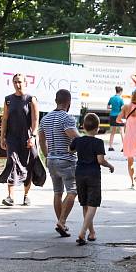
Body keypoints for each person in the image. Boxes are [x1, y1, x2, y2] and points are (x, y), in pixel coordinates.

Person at [38, 89, 81, 237]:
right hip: (66, 160)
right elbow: (75, 137)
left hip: (51, 160)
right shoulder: (67, 118)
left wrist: (46, 154)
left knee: (57, 192)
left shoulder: (45, 119)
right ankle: (62, 221)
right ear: (69, 102)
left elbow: (41, 140)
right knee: (72, 191)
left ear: (56, 101)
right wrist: (77, 147)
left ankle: (61, 223)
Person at [70, 113, 114, 245]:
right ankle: (83, 232)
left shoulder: (78, 140)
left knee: (85, 204)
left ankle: (92, 232)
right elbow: (100, 160)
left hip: (79, 174)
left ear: (83, 126)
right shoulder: (98, 142)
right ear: (97, 128)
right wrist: (110, 165)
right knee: (93, 204)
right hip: (93, 175)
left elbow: (70, 150)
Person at [0, 73, 39, 207]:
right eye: (15, 82)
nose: (18, 84)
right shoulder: (8, 100)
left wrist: (33, 137)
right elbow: (5, 119)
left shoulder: (30, 99)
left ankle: (26, 196)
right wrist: (2, 136)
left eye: (20, 82)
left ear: (25, 83)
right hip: (12, 138)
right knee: (11, 162)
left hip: (27, 137)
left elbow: (35, 120)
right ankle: (10, 197)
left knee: (29, 164)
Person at [107, 86, 125, 151]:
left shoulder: (111, 98)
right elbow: (122, 108)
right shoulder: (120, 99)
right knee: (122, 131)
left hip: (112, 115)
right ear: (120, 91)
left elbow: (108, 107)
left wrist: (113, 108)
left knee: (113, 132)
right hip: (119, 116)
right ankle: (124, 147)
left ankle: (110, 147)